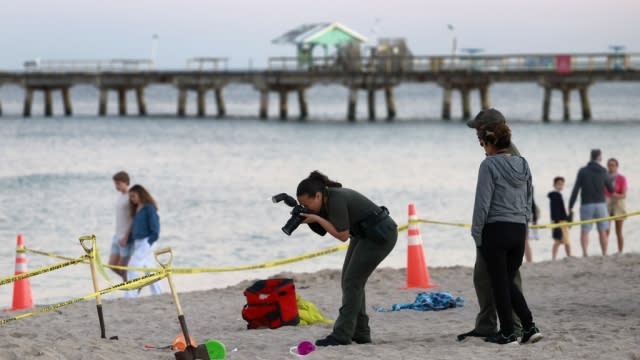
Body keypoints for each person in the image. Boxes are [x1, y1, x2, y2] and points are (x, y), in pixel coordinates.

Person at [294, 171, 397, 347]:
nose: (306, 207)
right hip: (363, 235)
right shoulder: (326, 199)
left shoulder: (336, 198)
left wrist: (317, 218)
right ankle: (361, 332)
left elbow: (342, 235)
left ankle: (342, 335)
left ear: (318, 195)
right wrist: (310, 218)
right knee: (349, 281)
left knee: (352, 281)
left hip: (381, 236)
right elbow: (336, 229)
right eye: (301, 204)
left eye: (307, 203)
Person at [471, 122, 542, 345]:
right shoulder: (523, 163)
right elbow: (529, 198)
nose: (483, 148)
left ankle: (509, 332)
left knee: (500, 282)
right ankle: (528, 327)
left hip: (497, 230)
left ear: (492, 143)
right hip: (518, 230)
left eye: (483, 143)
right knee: (506, 281)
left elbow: (482, 203)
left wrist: (476, 233)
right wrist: (524, 225)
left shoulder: (488, 165)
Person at [458, 108, 524, 341]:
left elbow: (489, 198)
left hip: (498, 228)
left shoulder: (504, 156)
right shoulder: (495, 153)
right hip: (500, 226)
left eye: (478, 129)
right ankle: (486, 324)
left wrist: (478, 231)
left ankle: (514, 326)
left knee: (508, 277)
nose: (475, 134)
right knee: (483, 277)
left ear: (490, 130)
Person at [568, 149, 614, 257]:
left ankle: (585, 253)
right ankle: (604, 253)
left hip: (586, 204)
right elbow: (611, 189)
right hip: (601, 204)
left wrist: (570, 205)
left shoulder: (583, 171)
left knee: (585, 230)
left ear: (590, 157)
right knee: (602, 230)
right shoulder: (603, 171)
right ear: (599, 158)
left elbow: (576, 189)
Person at [124, 184, 162, 298]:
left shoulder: (149, 208)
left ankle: (130, 295)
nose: (132, 199)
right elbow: (136, 229)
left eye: (134, 196)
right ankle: (159, 294)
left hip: (147, 242)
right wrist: (127, 240)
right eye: (130, 197)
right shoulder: (137, 210)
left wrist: (149, 242)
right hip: (138, 242)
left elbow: (155, 228)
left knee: (132, 266)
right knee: (149, 270)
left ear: (141, 194)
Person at [110, 171, 132, 280]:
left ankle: (130, 289)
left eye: (118, 183)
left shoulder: (130, 197)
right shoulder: (121, 197)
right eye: (115, 183)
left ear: (125, 182)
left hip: (125, 237)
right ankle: (132, 284)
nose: (116, 186)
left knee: (123, 267)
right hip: (117, 236)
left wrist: (126, 237)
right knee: (112, 265)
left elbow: (133, 219)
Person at [605, 158, 628, 253]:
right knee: (606, 230)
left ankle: (620, 251)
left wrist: (615, 195)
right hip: (607, 203)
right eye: (609, 165)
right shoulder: (604, 177)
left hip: (618, 204)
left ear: (617, 166)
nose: (611, 167)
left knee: (618, 231)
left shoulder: (621, 178)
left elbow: (624, 194)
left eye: (613, 165)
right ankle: (605, 251)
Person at [548, 177, 572, 260]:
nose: (560, 186)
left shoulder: (557, 195)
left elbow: (560, 209)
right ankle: (569, 256)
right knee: (565, 241)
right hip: (560, 221)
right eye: (558, 184)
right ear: (554, 185)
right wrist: (558, 221)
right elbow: (556, 210)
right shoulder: (556, 195)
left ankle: (554, 257)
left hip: (559, 220)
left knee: (558, 241)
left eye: (562, 184)